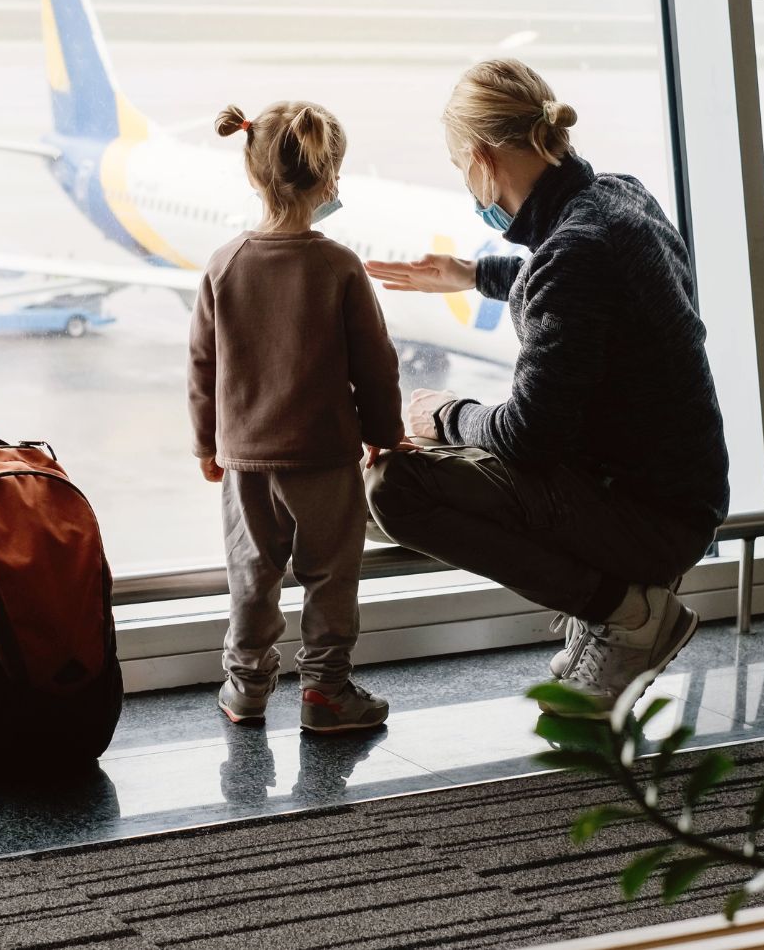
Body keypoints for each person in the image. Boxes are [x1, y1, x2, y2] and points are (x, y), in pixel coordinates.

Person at [364, 59, 729, 715]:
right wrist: (474, 274)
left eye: (459, 169)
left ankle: (627, 613)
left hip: (644, 516)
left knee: (394, 487)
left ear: (479, 160)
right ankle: (618, 603)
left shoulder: (575, 254)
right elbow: (583, 284)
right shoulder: (623, 197)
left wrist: (444, 414)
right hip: (683, 499)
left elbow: (528, 437)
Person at [189, 100, 410, 733]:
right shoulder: (339, 265)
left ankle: (247, 689)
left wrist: (206, 445)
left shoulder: (224, 264)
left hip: (246, 459)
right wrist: (384, 436)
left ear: (253, 174)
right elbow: (376, 363)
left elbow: (203, 365)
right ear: (329, 177)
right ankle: (325, 694)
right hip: (325, 456)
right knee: (330, 576)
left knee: (252, 575)